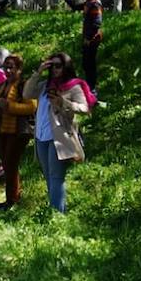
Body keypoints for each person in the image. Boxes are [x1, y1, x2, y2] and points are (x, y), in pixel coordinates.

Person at [24, 53, 94, 214]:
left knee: (56, 177)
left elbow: (84, 108)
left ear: (66, 67)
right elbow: (27, 94)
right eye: (51, 66)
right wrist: (39, 71)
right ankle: (56, 210)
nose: (55, 69)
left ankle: (57, 214)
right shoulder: (44, 85)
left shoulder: (73, 86)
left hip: (59, 137)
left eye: (58, 66)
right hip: (41, 136)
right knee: (49, 176)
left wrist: (63, 102)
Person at [0, 55, 37, 210]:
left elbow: (32, 107)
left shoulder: (24, 85)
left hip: (18, 131)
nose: (8, 70)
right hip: (1, 130)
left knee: (10, 164)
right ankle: (12, 198)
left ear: (19, 69)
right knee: (7, 165)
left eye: (11, 67)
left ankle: (12, 200)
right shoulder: (2, 85)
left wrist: (9, 105)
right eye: (5, 67)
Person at [80, 0, 104, 91]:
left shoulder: (95, 5)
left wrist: (89, 38)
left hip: (93, 39)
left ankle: (92, 88)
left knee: (90, 63)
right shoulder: (88, 3)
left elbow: (97, 23)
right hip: (87, 38)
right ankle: (88, 85)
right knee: (86, 63)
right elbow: (76, 6)